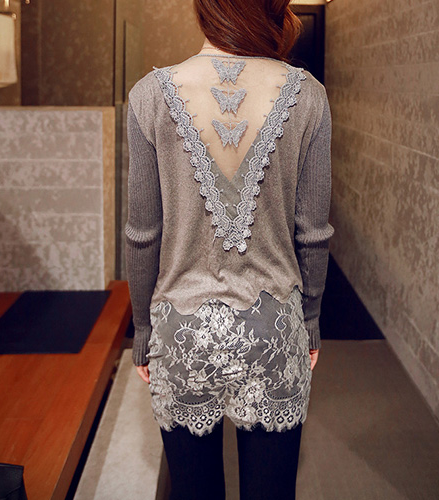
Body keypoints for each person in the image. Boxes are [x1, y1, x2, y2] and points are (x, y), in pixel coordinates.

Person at [125, 0, 334, 498]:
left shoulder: (150, 95)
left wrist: (142, 327)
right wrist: (310, 319)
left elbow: (142, 233)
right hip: (273, 330)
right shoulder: (308, 95)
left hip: (182, 333)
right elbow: (313, 232)